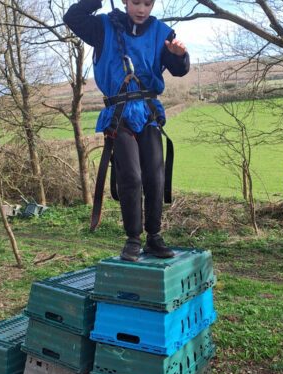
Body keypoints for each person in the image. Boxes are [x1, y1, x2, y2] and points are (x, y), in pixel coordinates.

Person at [64, 0, 190, 262]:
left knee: (155, 175)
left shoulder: (160, 32)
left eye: (147, 3)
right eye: (135, 2)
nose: (142, 9)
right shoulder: (104, 28)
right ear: (124, 1)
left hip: (148, 112)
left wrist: (180, 57)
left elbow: (178, 70)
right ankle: (133, 238)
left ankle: (154, 237)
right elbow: (73, 17)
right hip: (119, 114)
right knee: (131, 176)